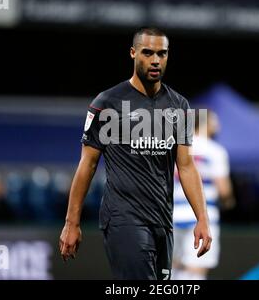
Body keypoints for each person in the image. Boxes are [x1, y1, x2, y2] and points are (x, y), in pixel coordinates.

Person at [59, 27, 212, 280]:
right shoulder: (107, 104)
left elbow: (186, 167)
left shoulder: (180, 106)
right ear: (133, 53)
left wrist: (202, 218)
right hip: (124, 220)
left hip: (163, 222)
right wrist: (71, 223)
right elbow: (87, 165)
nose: (155, 60)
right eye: (148, 53)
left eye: (162, 54)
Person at [173, 110, 234, 280]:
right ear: (206, 123)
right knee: (197, 268)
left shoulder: (177, 146)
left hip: (173, 212)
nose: (218, 125)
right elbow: (224, 190)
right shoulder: (215, 151)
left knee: (173, 264)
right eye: (215, 121)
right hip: (203, 215)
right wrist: (228, 201)